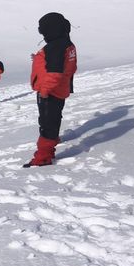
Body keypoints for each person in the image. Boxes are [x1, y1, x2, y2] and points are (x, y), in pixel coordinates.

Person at [25, 12, 77, 168]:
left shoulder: (55, 47)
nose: (42, 33)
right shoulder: (66, 43)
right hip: (60, 89)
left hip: (50, 91)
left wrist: (45, 90)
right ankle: (52, 138)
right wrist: (40, 58)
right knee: (54, 117)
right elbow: (66, 66)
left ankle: (43, 157)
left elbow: (55, 73)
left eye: (43, 30)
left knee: (47, 122)